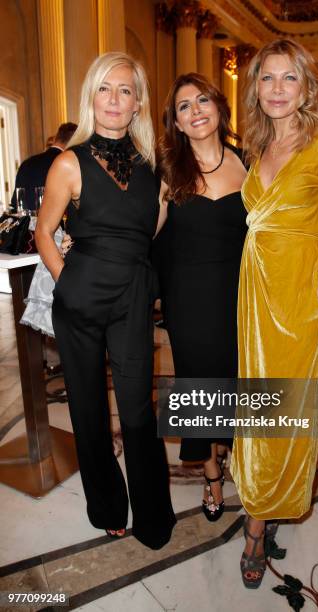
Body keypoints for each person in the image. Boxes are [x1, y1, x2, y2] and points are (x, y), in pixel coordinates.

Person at [229, 39, 318, 588]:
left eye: (289, 79)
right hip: (253, 286)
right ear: (256, 86)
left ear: (308, 85)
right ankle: (261, 498)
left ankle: (258, 524)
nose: (277, 90)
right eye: (267, 78)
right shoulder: (256, 143)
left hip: (298, 291)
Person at [35, 52, 176, 549]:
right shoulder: (69, 162)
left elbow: (152, 230)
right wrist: (66, 279)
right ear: (91, 98)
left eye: (125, 90)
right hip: (80, 297)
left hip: (133, 295)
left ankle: (153, 513)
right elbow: (44, 231)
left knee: (139, 405)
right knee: (90, 407)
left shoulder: (154, 167)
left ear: (138, 102)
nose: (115, 99)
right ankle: (107, 506)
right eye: (105, 89)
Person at [156, 73, 247, 521]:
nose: (195, 110)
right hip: (189, 297)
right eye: (183, 106)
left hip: (241, 296)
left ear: (219, 106)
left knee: (235, 381)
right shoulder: (168, 170)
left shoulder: (248, 162)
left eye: (202, 100)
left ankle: (238, 457)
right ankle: (211, 474)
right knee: (198, 387)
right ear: (175, 121)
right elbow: (146, 232)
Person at [11, 122, 77, 211]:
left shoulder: (27, 163)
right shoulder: (66, 164)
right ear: (74, 142)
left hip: (24, 222)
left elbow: (15, 202)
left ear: (56, 138)